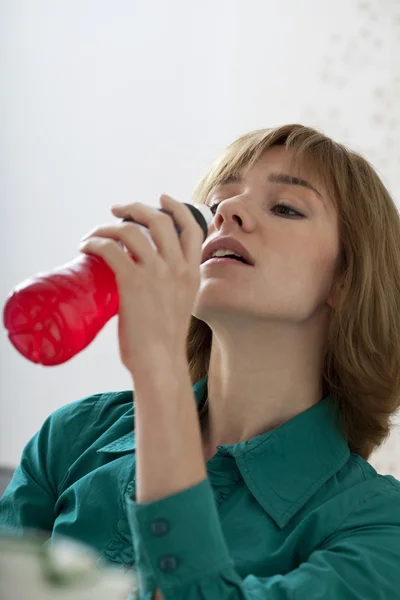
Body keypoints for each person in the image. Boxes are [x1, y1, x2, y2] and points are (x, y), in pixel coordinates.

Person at [1, 124, 400, 600]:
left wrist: (158, 366)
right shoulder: (74, 436)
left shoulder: (375, 526)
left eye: (286, 207)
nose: (227, 211)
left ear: (346, 283)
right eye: (215, 204)